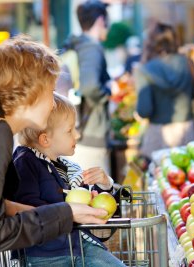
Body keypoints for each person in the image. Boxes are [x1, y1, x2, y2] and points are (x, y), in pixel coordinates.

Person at [0, 35, 108, 255]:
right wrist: (66, 214)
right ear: (30, 91)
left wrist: (60, 213)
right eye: (50, 91)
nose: (53, 102)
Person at [13, 93, 126, 266]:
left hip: (80, 246)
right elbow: (28, 211)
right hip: (44, 256)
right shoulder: (25, 163)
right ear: (45, 139)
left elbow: (93, 204)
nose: (78, 135)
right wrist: (68, 211)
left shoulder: (67, 167)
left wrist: (105, 185)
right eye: (70, 130)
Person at [134, 22, 194, 159]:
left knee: (159, 177)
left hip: (158, 135)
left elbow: (144, 110)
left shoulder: (145, 70)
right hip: (187, 131)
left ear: (150, 42)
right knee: (190, 176)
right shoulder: (187, 62)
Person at [63, 0, 112, 173]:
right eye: (108, 20)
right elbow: (90, 87)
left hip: (80, 132)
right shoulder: (92, 48)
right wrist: (109, 90)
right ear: (100, 20)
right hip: (91, 134)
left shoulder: (76, 44)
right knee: (99, 193)